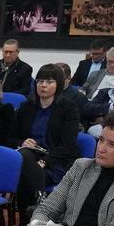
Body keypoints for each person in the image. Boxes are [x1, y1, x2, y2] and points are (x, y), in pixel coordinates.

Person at [9, 62, 85, 195]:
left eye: (49, 82)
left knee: (23, 175)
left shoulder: (68, 108)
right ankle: (36, 210)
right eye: (40, 81)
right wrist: (22, 142)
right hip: (29, 158)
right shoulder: (26, 107)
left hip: (56, 161)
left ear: (59, 85)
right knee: (25, 157)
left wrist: (45, 161)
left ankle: (34, 210)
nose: (43, 85)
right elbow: (10, 138)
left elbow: (67, 145)